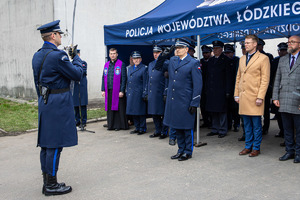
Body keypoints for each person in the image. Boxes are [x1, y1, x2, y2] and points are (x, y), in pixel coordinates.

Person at [32, 20, 84, 196]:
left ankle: (47, 181)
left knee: (46, 144)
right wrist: (75, 57)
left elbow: (37, 83)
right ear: (53, 36)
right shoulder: (57, 56)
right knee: (54, 144)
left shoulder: (37, 55)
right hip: (58, 105)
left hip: (45, 102)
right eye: (59, 34)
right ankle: (51, 185)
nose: (61, 37)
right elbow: (77, 74)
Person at [155, 38, 202, 161]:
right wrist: (164, 54)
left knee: (186, 127)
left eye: (180, 48)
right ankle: (180, 150)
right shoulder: (172, 60)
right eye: (176, 48)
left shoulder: (193, 62)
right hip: (174, 100)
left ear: (186, 49)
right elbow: (158, 66)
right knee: (177, 126)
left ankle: (188, 151)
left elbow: (198, 84)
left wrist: (195, 102)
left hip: (185, 100)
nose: (177, 50)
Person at [235, 34, 270, 157]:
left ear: (255, 44)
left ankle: (256, 147)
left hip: (255, 96)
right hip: (243, 96)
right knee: (246, 124)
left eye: (248, 42)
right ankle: (247, 146)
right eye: (245, 42)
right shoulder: (242, 58)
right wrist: (236, 94)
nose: (246, 44)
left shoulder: (263, 58)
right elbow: (238, 77)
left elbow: (265, 79)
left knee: (256, 124)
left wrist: (260, 96)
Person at [273, 35, 300, 163]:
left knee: (299, 129)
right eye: (289, 42)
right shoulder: (282, 60)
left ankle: (298, 153)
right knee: (287, 128)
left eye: (293, 42)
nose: (289, 44)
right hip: (283, 99)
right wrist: (275, 97)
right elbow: (277, 79)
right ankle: (289, 151)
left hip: (297, 100)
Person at [205, 40, 234, 138]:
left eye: (217, 48)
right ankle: (215, 128)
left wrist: (228, 91)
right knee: (213, 111)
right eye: (214, 49)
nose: (215, 50)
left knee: (222, 111)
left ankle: (222, 129)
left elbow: (228, 77)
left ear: (221, 49)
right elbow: (208, 76)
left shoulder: (226, 60)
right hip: (212, 90)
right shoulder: (211, 61)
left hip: (221, 90)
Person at [102, 48, 128, 131]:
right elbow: (103, 77)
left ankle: (118, 125)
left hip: (117, 91)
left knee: (118, 108)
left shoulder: (121, 64)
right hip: (109, 90)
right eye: (111, 53)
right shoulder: (106, 65)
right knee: (110, 108)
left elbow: (124, 79)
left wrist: (122, 90)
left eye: (114, 53)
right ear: (109, 55)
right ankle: (111, 125)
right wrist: (103, 90)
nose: (112, 55)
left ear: (117, 54)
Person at [147, 45, 168, 139]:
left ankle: (164, 131)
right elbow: (149, 79)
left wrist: (165, 92)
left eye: (158, 53)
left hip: (160, 92)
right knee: (154, 113)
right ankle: (157, 130)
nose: (155, 54)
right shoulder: (151, 64)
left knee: (162, 113)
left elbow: (167, 79)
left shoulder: (165, 63)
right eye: (154, 53)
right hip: (152, 92)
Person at [126, 51, 148, 135]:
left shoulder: (144, 68)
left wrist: (144, 93)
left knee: (140, 112)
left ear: (141, 59)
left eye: (138, 58)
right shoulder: (130, 68)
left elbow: (145, 82)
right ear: (132, 59)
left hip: (139, 93)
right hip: (131, 93)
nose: (136, 60)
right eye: (134, 59)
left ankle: (142, 128)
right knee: (133, 112)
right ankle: (137, 127)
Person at [270, 42, 288, 140]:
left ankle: (287, 135)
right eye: (280, 50)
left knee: (287, 116)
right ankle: (281, 131)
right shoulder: (275, 61)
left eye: (284, 50)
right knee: (278, 114)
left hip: (287, 91)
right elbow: (271, 76)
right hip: (277, 90)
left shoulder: (291, 60)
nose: (282, 52)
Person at [258, 38, 274, 135]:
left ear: (262, 46)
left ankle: (265, 127)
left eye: (259, 45)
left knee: (265, 110)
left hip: (265, 87)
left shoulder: (267, 56)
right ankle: (259, 127)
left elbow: (269, 73)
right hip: (255, 88)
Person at [224, 44, 240, 132]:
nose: (227, 54)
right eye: (226, 53)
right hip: (227, 88)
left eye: (229, 53)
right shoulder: (224, 61)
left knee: (235, 109)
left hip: (235, 87)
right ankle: (229, 124)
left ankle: (236, 124)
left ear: (233, 53)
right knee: (228, 108)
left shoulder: (237, 60)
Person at [73, 49, 88, 128]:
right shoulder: (72, 63)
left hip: (82, 86)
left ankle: (84, 120)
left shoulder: (83, 63)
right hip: (75, 86)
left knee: (83, 104)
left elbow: (82, 72)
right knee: (75, 104)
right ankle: (77, 120)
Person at [200, 45, 212, 128]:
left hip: (210, 87)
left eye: (207, 53)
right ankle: (205, 121)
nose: (205, 54)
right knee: (203, 106)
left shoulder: (212, 61)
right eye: (204, 53)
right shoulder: (200, 62)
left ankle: (211, 122)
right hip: (202, 87)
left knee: (210, 105)